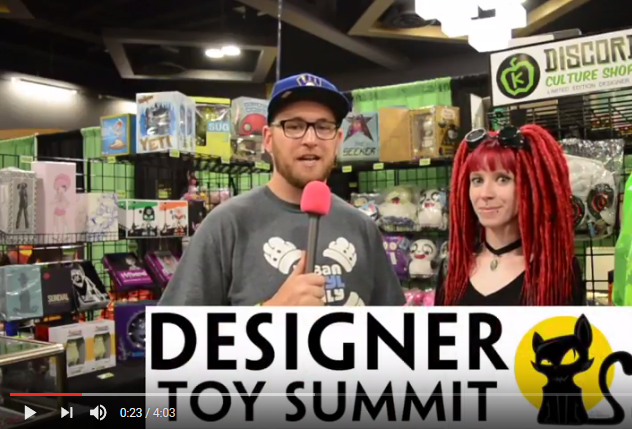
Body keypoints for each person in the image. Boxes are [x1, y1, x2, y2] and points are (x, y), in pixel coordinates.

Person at [159, 73, 405, 307]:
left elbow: (396, 328)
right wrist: (270, 313)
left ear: (338, 140)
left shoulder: (362, 228)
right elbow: (172, 334)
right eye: (294, 126)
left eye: (323, 127)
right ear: (268, 139)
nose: (310, 139)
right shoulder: (226, 225)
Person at [435, 124, 585, 306]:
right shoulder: (452, 269)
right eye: (477, 180)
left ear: (530, 186)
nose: (485, 194)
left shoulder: (557, 271)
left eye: (502, 179)